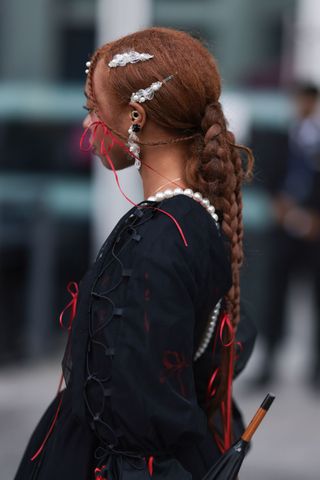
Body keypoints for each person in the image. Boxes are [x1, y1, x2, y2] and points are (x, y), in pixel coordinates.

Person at [15, 28, 256, 480]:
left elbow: (142, 425)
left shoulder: (160, 240)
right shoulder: (192, 223)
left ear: (135, 117)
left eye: (93, 110)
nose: (87, 125)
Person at [251, 83, 320, 390]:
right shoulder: (280, 138)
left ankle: (315, 368)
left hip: (314, 233)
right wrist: (280, 207)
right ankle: (270, 359)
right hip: (284, 229)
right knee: (275, 295)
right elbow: (267, 176)